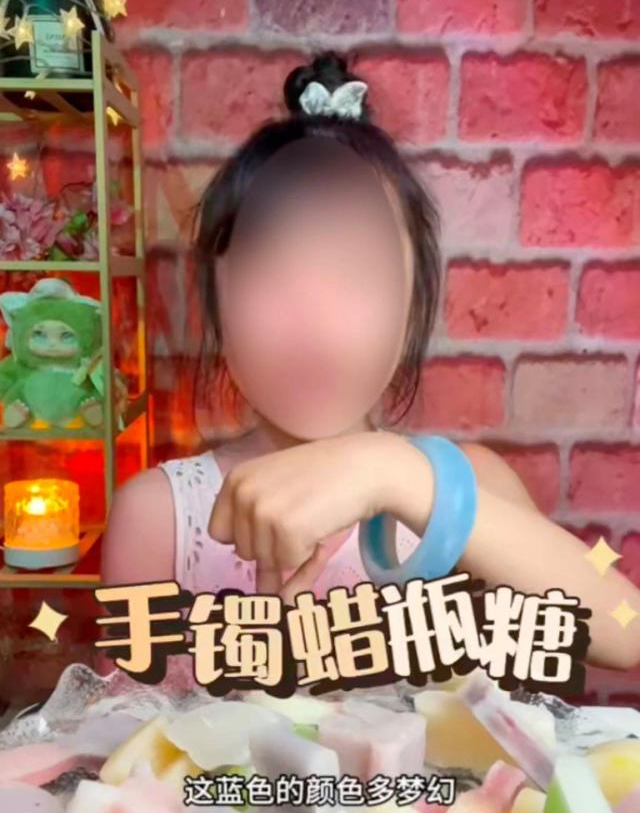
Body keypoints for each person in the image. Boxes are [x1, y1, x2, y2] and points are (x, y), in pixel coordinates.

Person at [100, 51, 639, 675]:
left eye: (358, 276)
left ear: (412, 309)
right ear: (218, 304)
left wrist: (393, 474)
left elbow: (625, 630)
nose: (314, 321)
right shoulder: (161, 516)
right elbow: (122, 727)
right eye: (271, 276)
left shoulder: (469, 484)